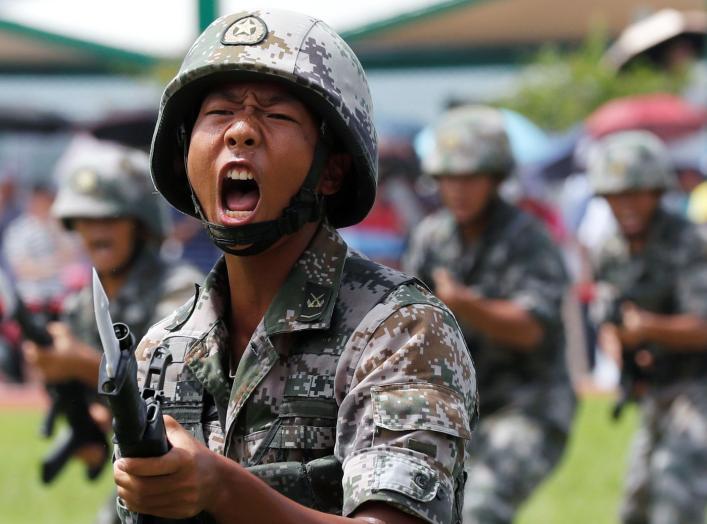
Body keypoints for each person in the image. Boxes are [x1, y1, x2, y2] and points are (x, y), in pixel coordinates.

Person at [111, 8, 476, 524]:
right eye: (219, 115)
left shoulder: (399, 330)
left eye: (276, 116)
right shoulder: (161, 352)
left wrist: (224, 489)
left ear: (331, 170)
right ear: (183, 156)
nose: (241, 132)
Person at [402, 105, 575, 524]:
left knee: (481, 509)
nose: (457, 189)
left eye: (470, 177)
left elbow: (532, 330)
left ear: (496, 177)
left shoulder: (527, 238)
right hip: (456, 412)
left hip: (528, 407)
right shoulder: (432, 237)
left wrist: (466, 305)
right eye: (448, 179)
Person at [22, 135, 203, 524]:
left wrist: (80, 363)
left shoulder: (180, 289)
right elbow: (93, 403)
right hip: (141, 468)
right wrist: (85, 419)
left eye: (110, 217)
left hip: (200, 468)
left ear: (140, 225)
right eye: (85, 219)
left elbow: (178, 389)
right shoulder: (83, 306)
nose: (96, 230)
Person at [587, 130, 707, 524]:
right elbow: (609, 319)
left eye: (636, 193)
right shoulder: (610, 249)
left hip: (699, 387)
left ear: (657, 192)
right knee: (635, 506)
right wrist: (620, 350)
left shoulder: (690, 243)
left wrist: (647, 328)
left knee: (674, 498)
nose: (626, 205)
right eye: (616, 195)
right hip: (656, 388)